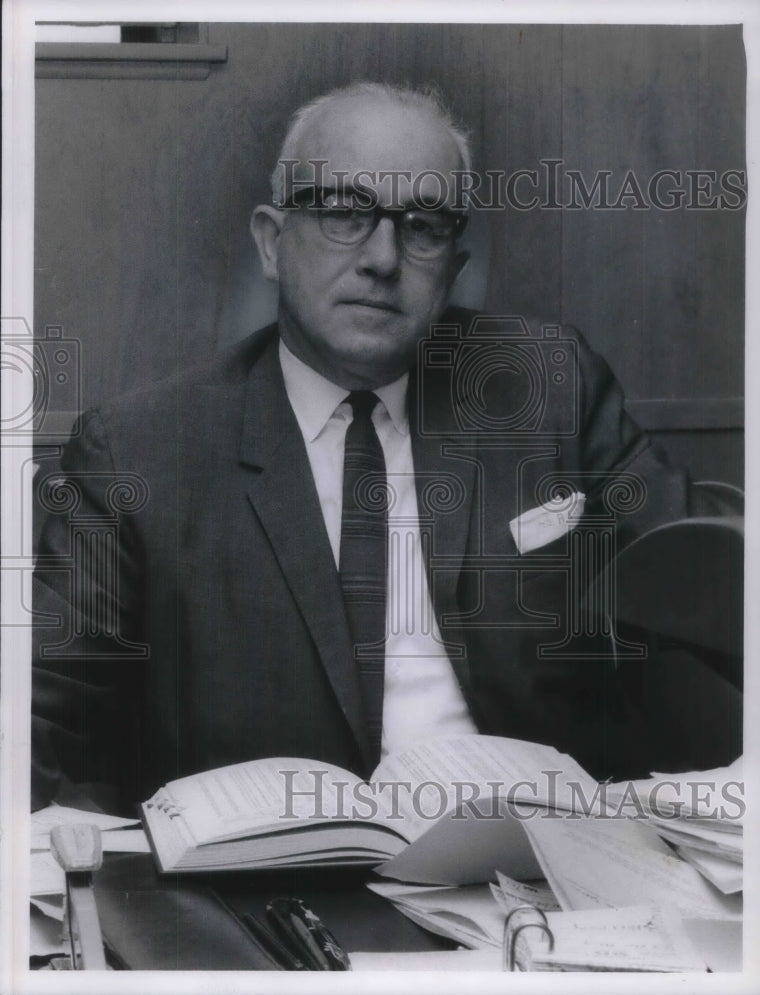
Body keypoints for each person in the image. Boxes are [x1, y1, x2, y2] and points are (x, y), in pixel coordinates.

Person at [31, 82, 732, 815]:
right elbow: (42, 710)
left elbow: (711, 573)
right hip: (267, 891)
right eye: (343, 213)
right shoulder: (138, 451)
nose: (383, 257)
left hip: (532, 869)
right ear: (272, 242)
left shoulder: (548, 385)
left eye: (423, 225)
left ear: (455, 267)